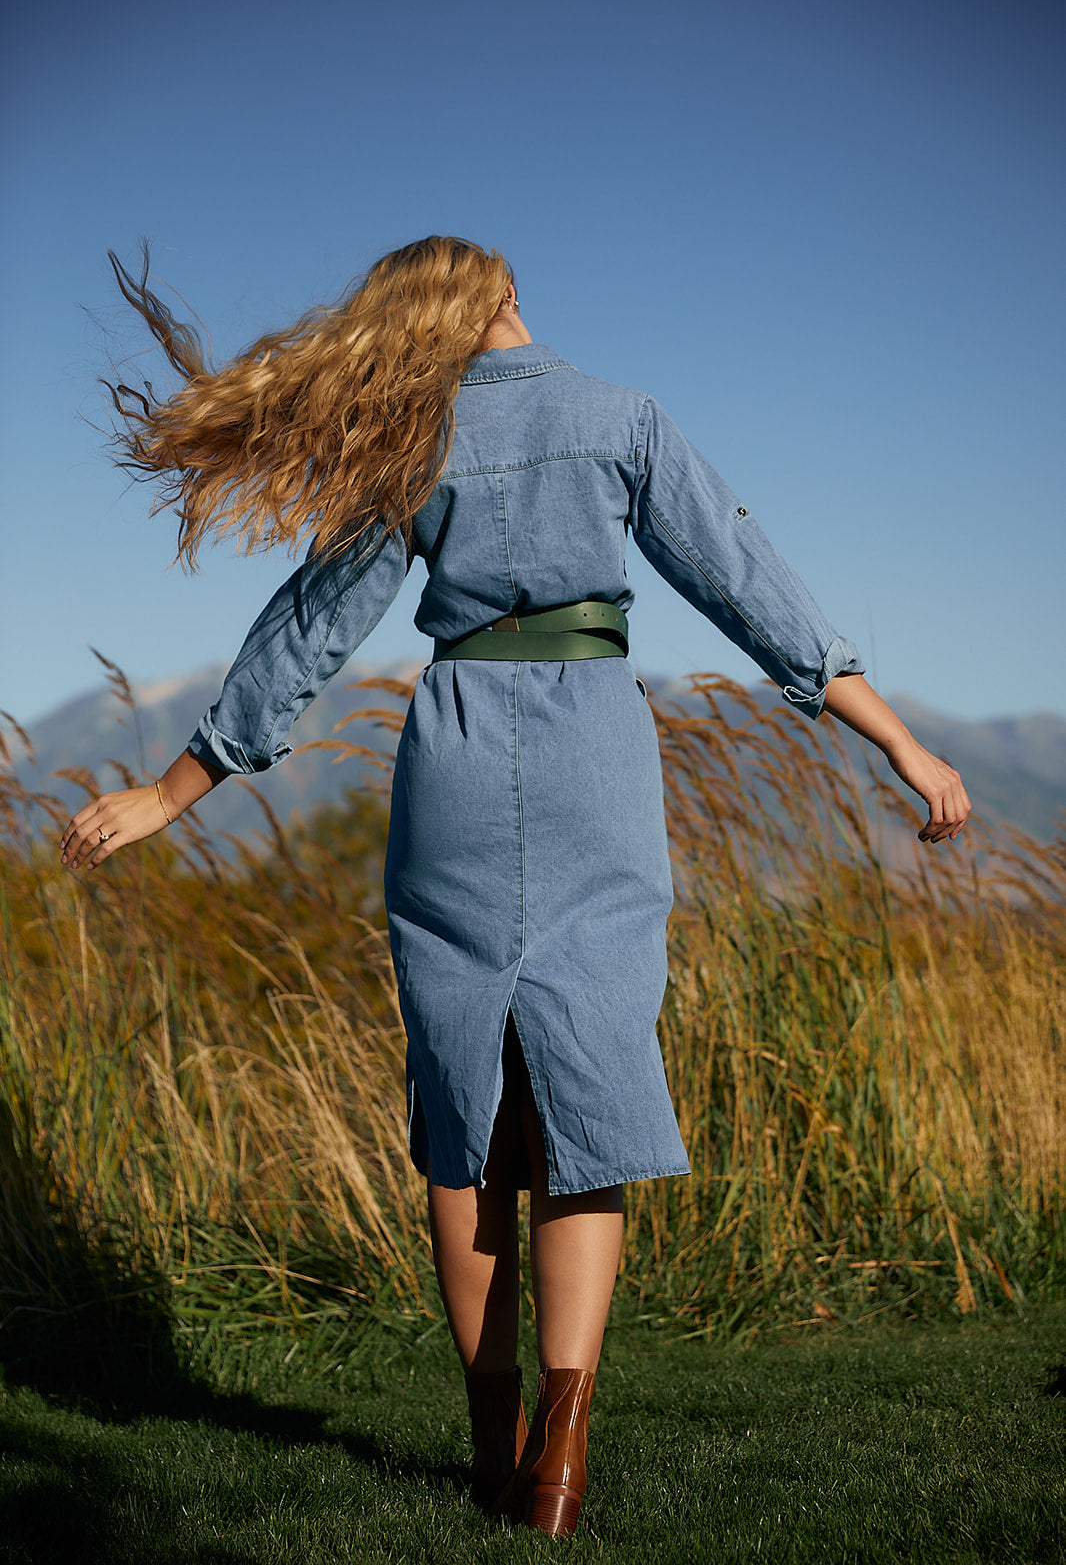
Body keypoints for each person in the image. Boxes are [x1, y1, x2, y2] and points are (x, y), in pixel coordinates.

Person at [60, 236, 970, 1538]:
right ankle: (561, 1446)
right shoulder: (621, 418)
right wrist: (898, 743)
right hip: (595, 740)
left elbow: (308, 632)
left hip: (459, 757)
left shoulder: (409, 444)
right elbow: (750, 590)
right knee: (587, 1079)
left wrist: (168, 793)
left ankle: (490, 1440)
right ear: (505, 298)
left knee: (464, 1098)